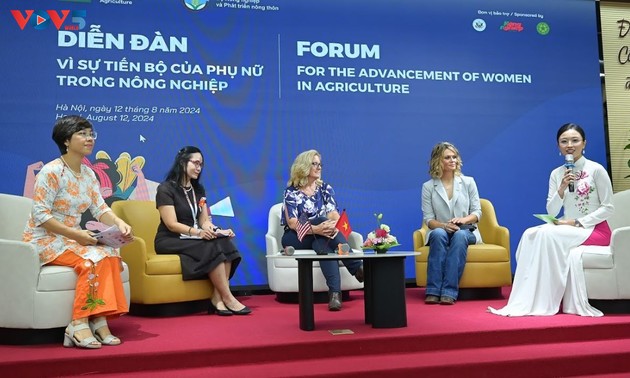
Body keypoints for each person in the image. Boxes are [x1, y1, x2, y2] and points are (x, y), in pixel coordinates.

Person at [24, 115, 132, 349]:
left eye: (91, 133)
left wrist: (118, 222)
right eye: (82, 134)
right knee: (91, 260)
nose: (89, 138)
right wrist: (77, 236)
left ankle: (99, 319)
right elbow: (41, 216)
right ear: (66, 140)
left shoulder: (88, 174)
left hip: (72, 238)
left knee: (111, 254)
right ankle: (78, 323)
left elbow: (99, 208)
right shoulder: (51, 172)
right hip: (43, 240)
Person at [489, 123, 614, 317]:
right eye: (564, 141)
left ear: (584, 143)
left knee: (547, 233)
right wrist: (562, 188)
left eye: (575, 140)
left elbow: (608, 208)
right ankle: (528, 297)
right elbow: (552, 210)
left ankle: (547, 299)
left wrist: (576, 222)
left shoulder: (596, 170)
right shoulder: (557, 174)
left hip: (594, 230)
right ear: (558, 146)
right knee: (530, 234)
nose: (569, 145)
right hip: (567, 227)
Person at [154, 146, 251, 316]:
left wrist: (219, 231)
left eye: (201, 164)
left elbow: (204, 221)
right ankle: (228, 297)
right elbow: (171, 224)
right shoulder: (165, 189)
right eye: (196, 163)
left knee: (224, 243)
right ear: (183, 162)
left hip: (192, 236)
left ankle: (217, 298)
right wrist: (198, 233)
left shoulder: (199, 190)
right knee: (211, 247)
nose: (199, 168)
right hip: (170, 239)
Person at [281, 150, 364, 311]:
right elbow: (292, 223)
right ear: (304, 166)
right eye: (314, 164)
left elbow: (333, 214)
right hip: (296, 237)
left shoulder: (325, 188)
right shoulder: (291, 191)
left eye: (320, 164)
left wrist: (329, 225)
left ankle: (334, 295)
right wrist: (318, 228)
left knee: (322, 246)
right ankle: (357, 267)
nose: (319, 167)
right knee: (320, 221)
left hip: (320, 236)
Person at [421, 142, 482, 305]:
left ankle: (449, 291)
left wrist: (463, 220)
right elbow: (429, 219)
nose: (452, 160)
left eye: (454, 157)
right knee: (438, 234)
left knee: (460, 236)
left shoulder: (468, 182)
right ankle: (433, 291)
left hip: (466, 230)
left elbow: (477, 213)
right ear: (437, 161)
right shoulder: (428, 187)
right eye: (447, 157)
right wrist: (443, 226)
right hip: (442, 229)